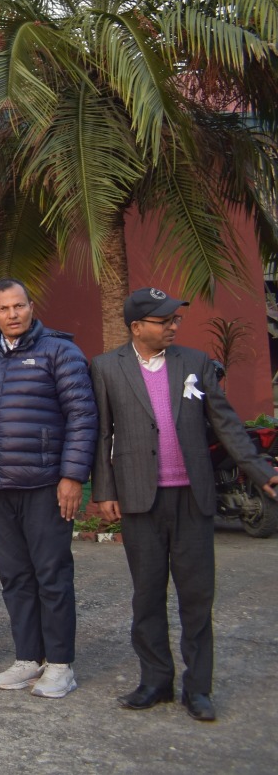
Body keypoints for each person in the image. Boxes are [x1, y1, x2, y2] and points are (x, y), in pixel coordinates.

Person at [90, 287, 278, 721]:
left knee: (196, 597)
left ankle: (198, 689)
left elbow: (226, 424)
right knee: (147, 596)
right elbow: (102, 433)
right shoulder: (106, 367)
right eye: (164, 320)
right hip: (140, 499)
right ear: (137, 327)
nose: (173, 326)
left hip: (193, 497)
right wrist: (105, 491)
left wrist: (260, 471)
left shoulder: (195, 363)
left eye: (175, 319)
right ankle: (155, 681)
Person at [0, 278, 97, 699]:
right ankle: (28, 657)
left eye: (19, 306)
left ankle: (60, 664)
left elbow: (82, 417)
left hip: (45, 484)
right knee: (14, 576)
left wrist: (72, 476)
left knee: (52, 574)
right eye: (3, 308)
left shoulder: (59, 351)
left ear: (31, 307)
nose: (12, 314)